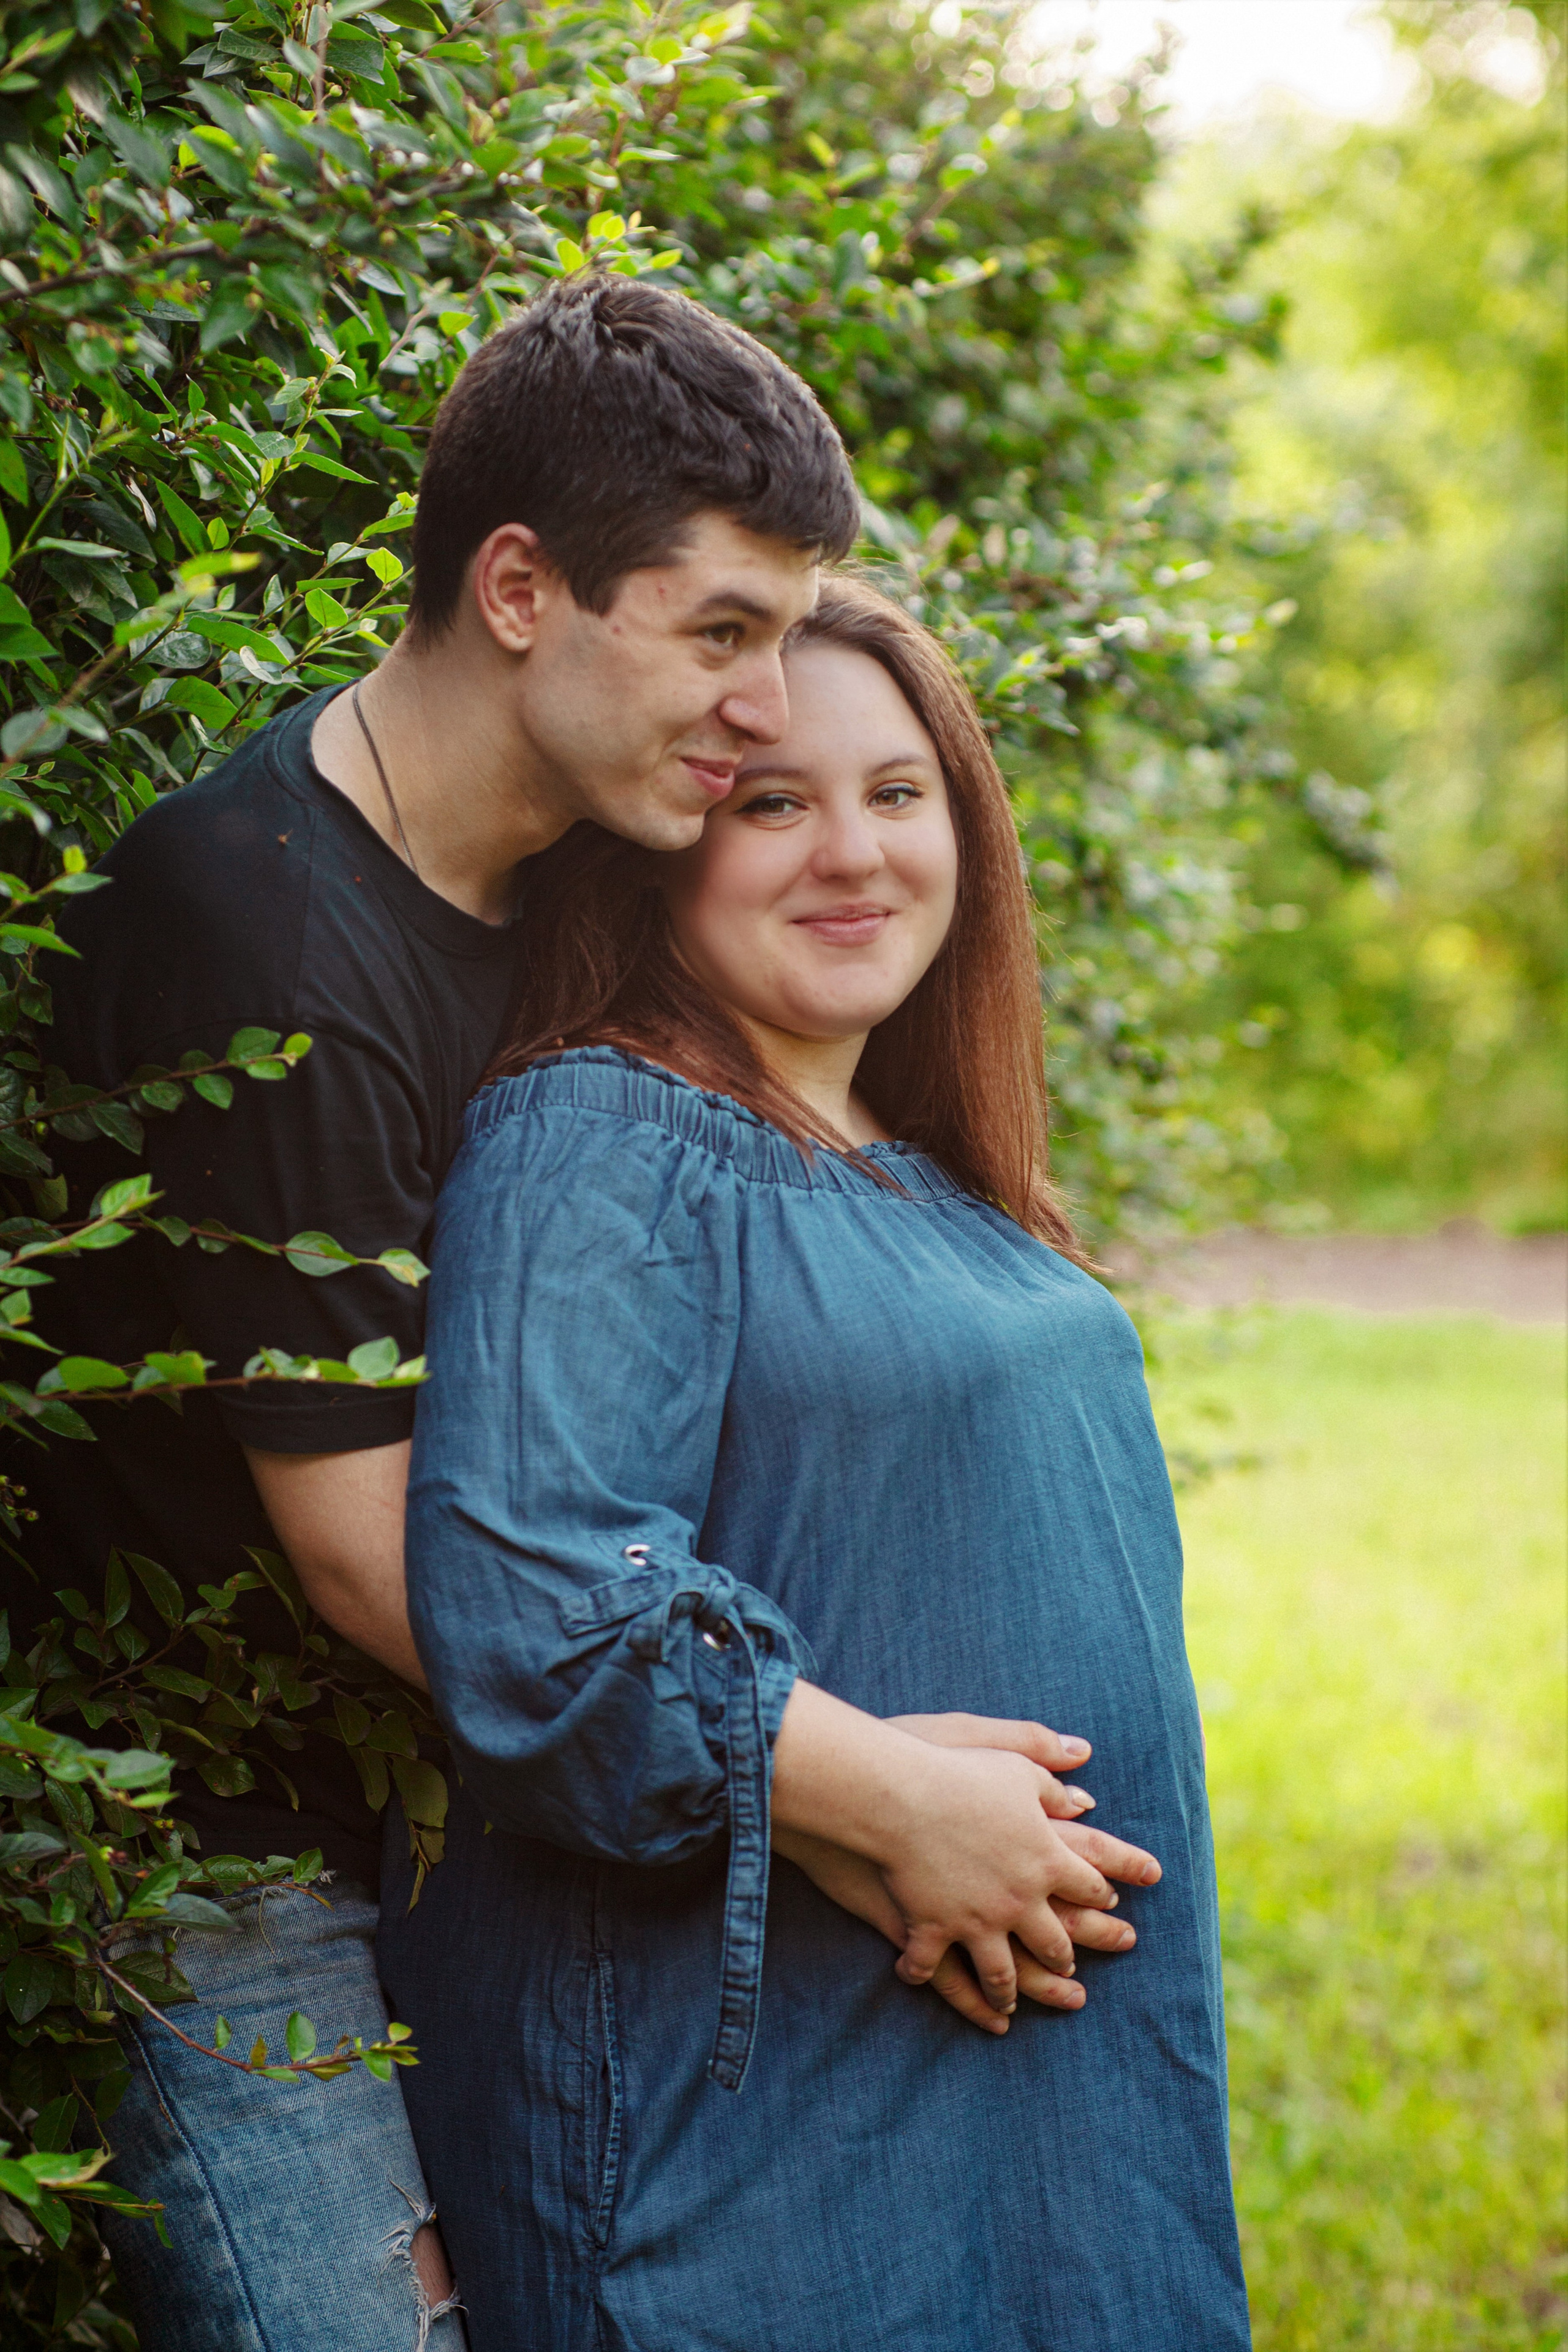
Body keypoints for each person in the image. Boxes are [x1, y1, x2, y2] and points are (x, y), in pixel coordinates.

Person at [13, 274, 858, 2351]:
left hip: (495, 1819)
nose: (770, 709)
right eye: (722, 632)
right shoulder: (263, 937)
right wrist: (850, 1790)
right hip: (226, 1867)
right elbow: (372, 1557)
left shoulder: (575, 866)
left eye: (787, 635)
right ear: (516, 587)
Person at [379, 575, 1252, 2350]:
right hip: (767, 2149)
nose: (852, 853)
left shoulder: (918, 1168)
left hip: (1026, 2128)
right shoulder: (598, 1139)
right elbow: (539, 1605)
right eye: (774, 800)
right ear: (660, 845)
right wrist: (890, 1797)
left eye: (899, 792)